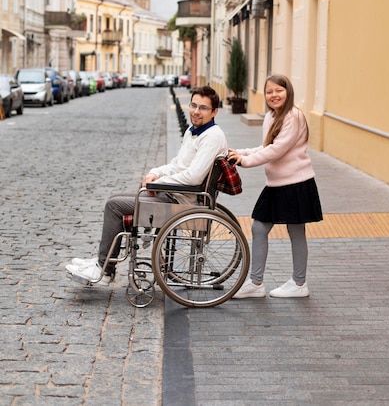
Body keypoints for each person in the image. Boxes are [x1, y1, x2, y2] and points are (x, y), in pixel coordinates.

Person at [66, 86, 227, 285]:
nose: (195, 111)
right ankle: (103, 260)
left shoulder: (211, 136)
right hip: (175, 194)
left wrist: (159, 183)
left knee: (114, 206)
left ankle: (104, 270)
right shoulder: (194, 131)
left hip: (184, 202)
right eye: (193, 105)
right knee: (114, 198)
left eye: (203, 108)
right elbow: (178, 164)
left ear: (214, 112)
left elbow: (193, 177)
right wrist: (156, 172)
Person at [228, 75, 322, 299]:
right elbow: (265, 147)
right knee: (259, 228)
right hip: (277, 183)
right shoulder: (272, 116)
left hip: (296, 183)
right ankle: (256, 283)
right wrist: (241, 152)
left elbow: (277, 150)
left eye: (278, 90)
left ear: (288, 91)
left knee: (296, 231)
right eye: (269, 92)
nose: (274, 95)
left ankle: (299, 284)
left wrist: (246, 161)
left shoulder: (293, 116)